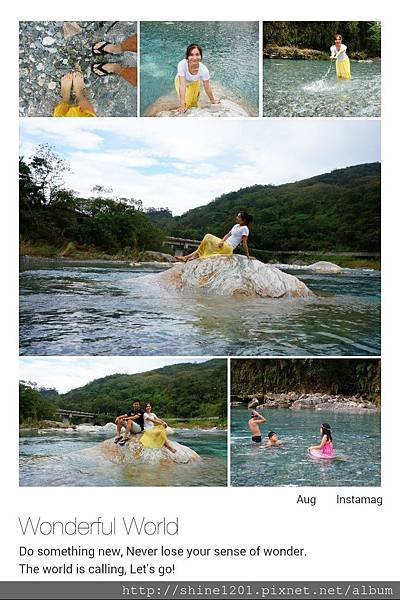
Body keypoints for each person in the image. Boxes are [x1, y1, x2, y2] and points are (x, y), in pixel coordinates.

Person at [175, 211, 254, 263]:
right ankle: (186, 257)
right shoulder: (236, 225)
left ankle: (191, 256)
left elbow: (244, 243)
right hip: (224, 244)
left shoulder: (245, 229)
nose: (236, 218)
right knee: (206, 244)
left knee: (208, 236)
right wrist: (222, 241)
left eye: (238, 217)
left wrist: (247, 256)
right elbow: (228, 234)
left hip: (229, 248)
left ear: (243, 220)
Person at [176, 44, 218, 113]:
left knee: (194, 103)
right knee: (187, 103)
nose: (194, 58)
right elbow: (182, 85)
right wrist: (182, 105)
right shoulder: (182, 64)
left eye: (197, 54)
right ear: (187, 57)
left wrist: (212, 100)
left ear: (201, 56)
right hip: (180, 81)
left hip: (194, 82)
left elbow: (207, 87)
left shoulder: (204, 70)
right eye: (191, 55)